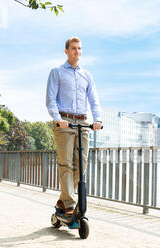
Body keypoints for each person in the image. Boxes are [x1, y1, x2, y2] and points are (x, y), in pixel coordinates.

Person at [46, 36, 103, 221]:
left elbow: (94, 100)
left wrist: (98, 119)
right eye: (73, 48)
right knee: (66, 163)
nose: (76, 52)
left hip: (83, 123)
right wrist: (57, 119)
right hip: (64, 122)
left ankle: (63, 201)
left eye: (79, 48)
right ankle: (69, 204)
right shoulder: (57, 72)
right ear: (66, 51)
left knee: (81, 164)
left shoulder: (87, 75)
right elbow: (51, 99)